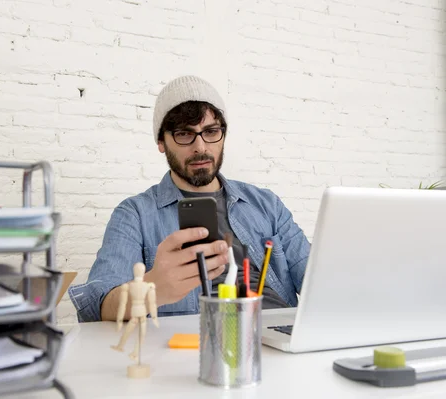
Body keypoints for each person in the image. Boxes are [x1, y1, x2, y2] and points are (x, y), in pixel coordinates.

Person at [68, 75, 311, 322]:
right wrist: (152, 289)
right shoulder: (135, 214)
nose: (201, 147)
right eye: (185, 134)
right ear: (161, 142)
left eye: (211, 132)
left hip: (277, 337)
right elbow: (97, 307)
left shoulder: (266, 204)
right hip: (202, 344)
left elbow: (316, 278)